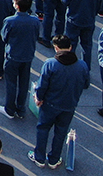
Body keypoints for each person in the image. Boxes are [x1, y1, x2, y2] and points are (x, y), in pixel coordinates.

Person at [30, 34, 89, 168]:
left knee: (43, 128)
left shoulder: (51, 63)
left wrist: (39, 98)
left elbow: (42, 84)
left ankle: (39, 158)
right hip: (69, 105)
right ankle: (54, 159)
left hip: (50, 104)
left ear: (56, 48)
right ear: (71, 47)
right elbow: (86, 84)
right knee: (61, 132)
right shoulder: (82, 65)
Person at [0, 0, 40, 120]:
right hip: (27, 55)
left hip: (13, 55)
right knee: (24, 82)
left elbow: (4, 37)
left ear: (16, 6)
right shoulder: (34, 21)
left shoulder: (10, 21)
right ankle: (21, 108)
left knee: (11, 83)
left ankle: (9, 109)